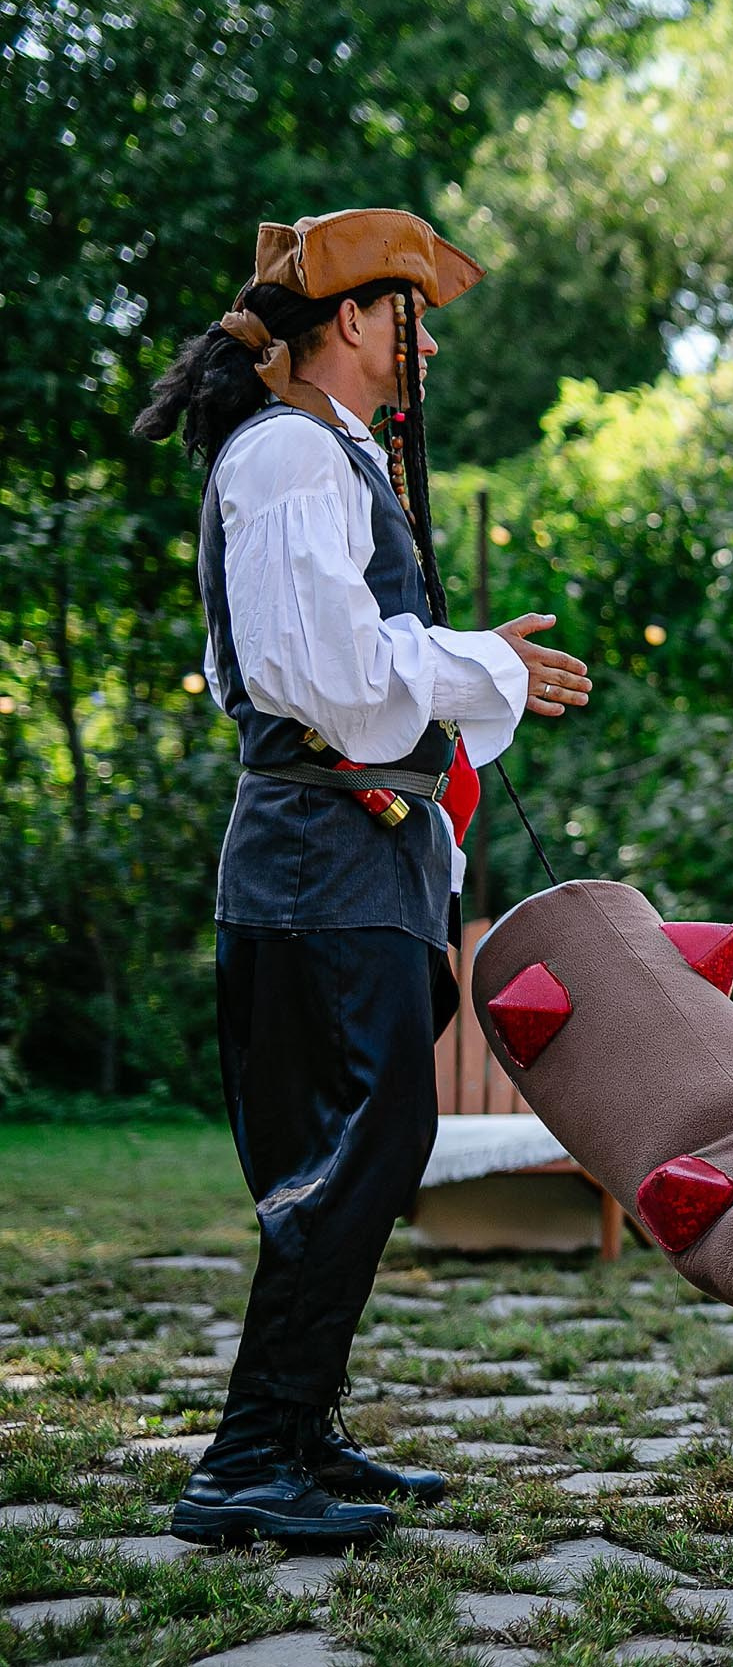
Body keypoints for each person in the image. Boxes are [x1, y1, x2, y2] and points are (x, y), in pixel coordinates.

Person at [132, 210, 593, 1547]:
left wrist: (463, 657)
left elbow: (363, 659)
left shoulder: (330, 456)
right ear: (351, 320)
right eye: (414, 314)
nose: (430, 341)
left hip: (358, 855)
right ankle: (240, 1467)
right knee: (356, 1151)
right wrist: (484, 667)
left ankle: (299, 1433)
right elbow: (331, 682)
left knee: (365, 1158)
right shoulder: (287, 458)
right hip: (314, 863)